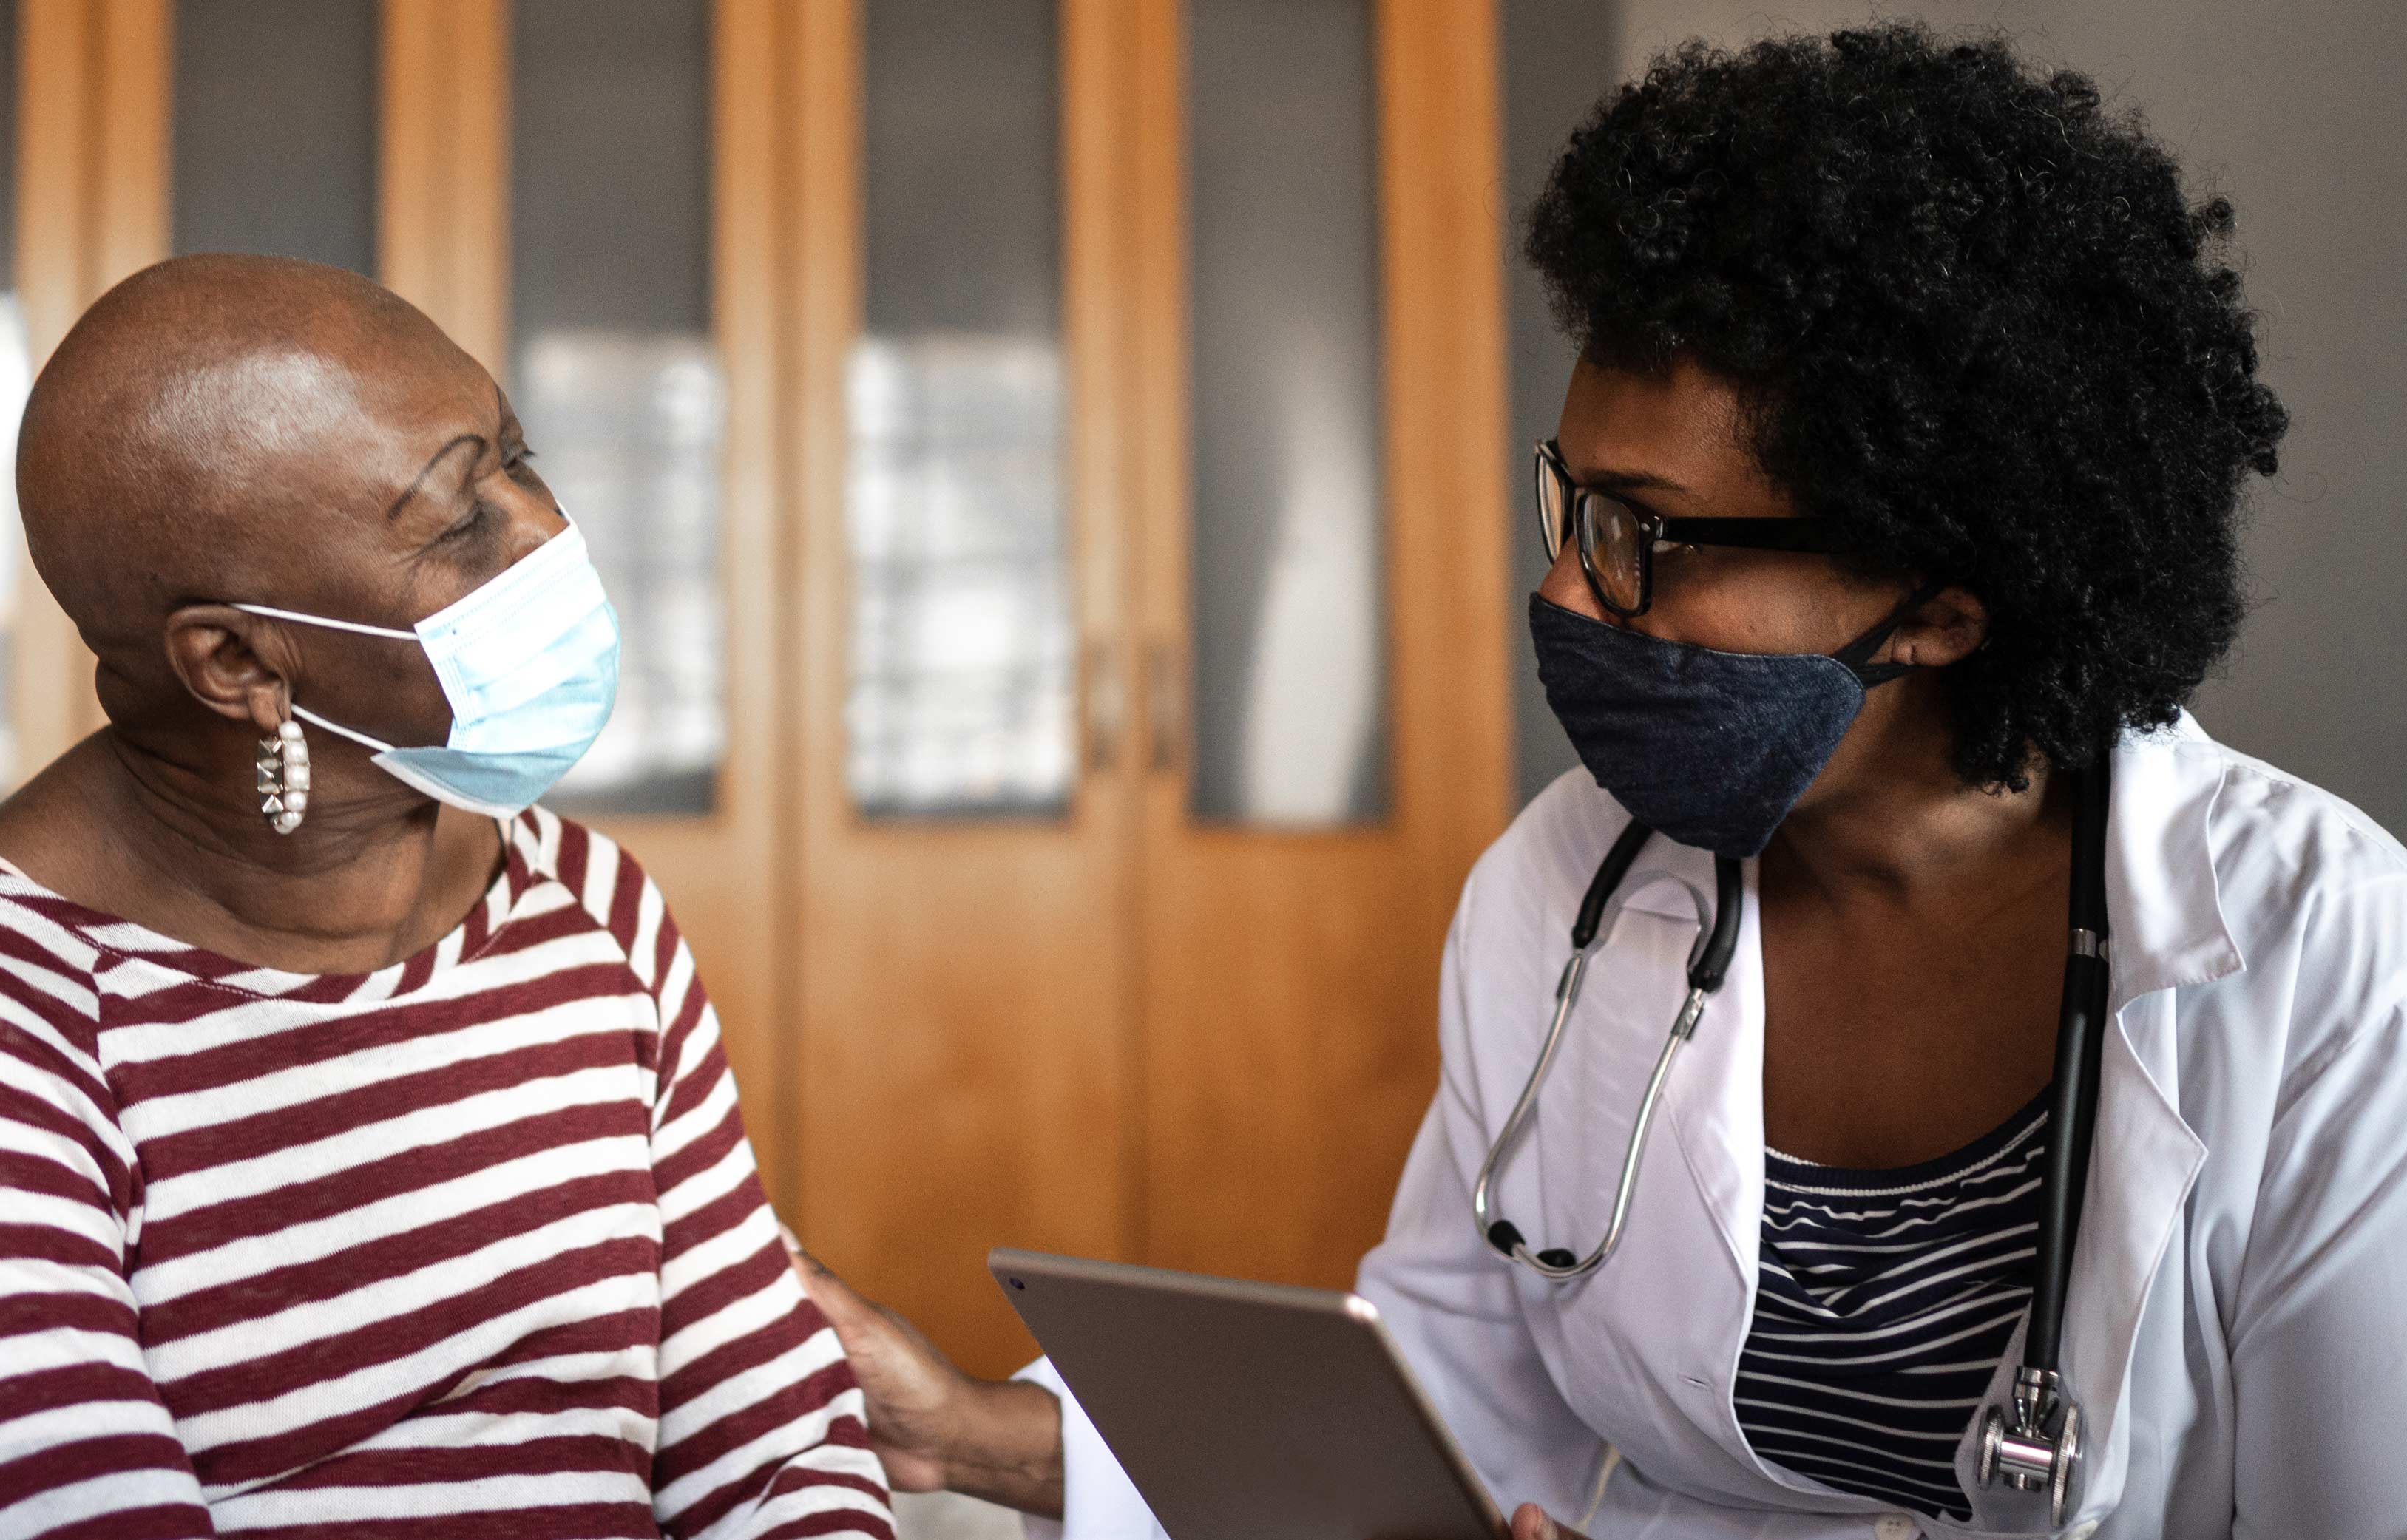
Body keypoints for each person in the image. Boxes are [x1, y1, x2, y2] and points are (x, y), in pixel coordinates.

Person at [793, 24, 2407, 1540]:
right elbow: (1446, 1405)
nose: (1568, 597)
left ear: (1942, 604)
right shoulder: (1563, 885)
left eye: (1646, 538)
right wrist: (957, 1432)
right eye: (1569, 509)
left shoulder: (2325, 959)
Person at [0, 254, 892, 1539]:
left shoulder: (589, 906)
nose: (548, 535)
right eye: (462, 525)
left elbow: (776, 1454)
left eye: (518, 459)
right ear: (239, 660)